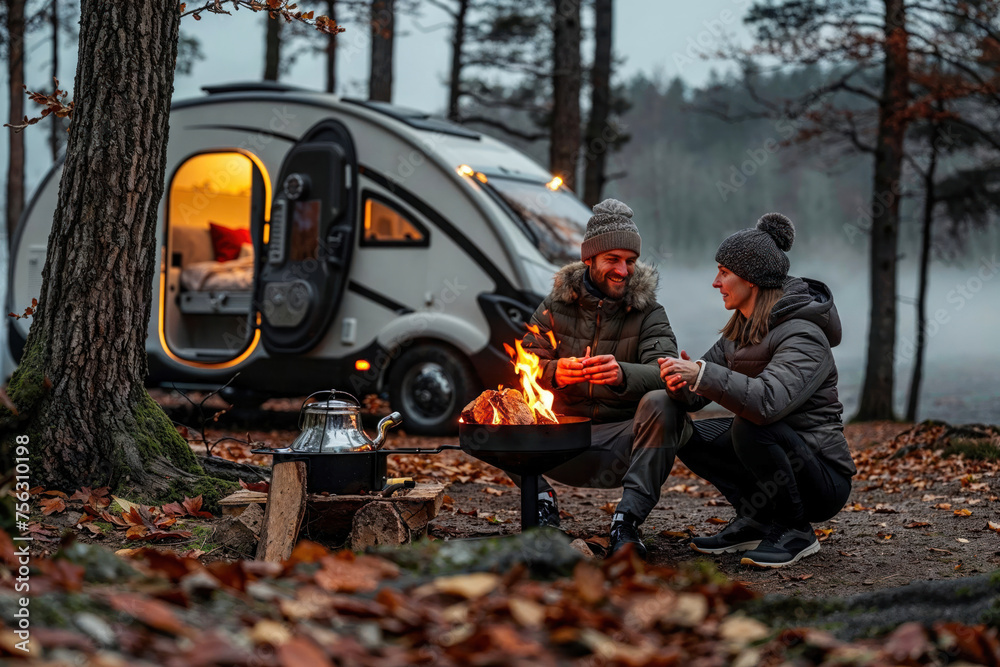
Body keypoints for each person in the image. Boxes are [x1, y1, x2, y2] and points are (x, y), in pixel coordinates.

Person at [659, 213, 855, 568]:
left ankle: (796, 531)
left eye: (724, 272)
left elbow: (767, 403)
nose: (716, 282)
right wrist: (681, 384)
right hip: (781, 451)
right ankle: (757, 519)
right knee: (682, 431)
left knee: (749, 426)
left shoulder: (803, 334)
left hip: (822, 477)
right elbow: (700, 394)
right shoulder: (740, 332)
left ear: (751, 280)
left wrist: (702, 373)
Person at [518, 198, 691, 558]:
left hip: (622, 441)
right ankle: (541, 502)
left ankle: (625, 523)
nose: (623, 271)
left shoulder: (648, 313)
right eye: (612, 259)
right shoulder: (553, 307)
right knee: (499, 408)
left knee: (663, 403)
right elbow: (525, 365)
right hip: (560, 439)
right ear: (589, 259)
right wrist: (553, 373)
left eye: (629, 261)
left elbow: (669, 372)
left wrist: (621, 373)